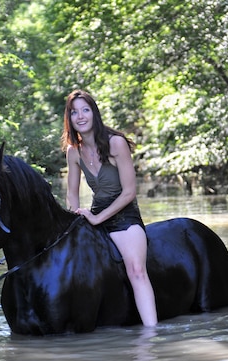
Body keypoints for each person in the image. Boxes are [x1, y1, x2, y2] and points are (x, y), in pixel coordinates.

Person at [61, 89, 158, 327]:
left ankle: (152, 336)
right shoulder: (73, 152)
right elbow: (72, 193)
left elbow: (129, 192)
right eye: (74, 112)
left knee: (136, 270)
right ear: (69, 118)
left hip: (125, 217)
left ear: (94, 113)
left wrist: (97, 218)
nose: (80, 116)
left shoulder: (116, 143)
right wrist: (76, 214)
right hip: (95, 216)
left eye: (85, 110)